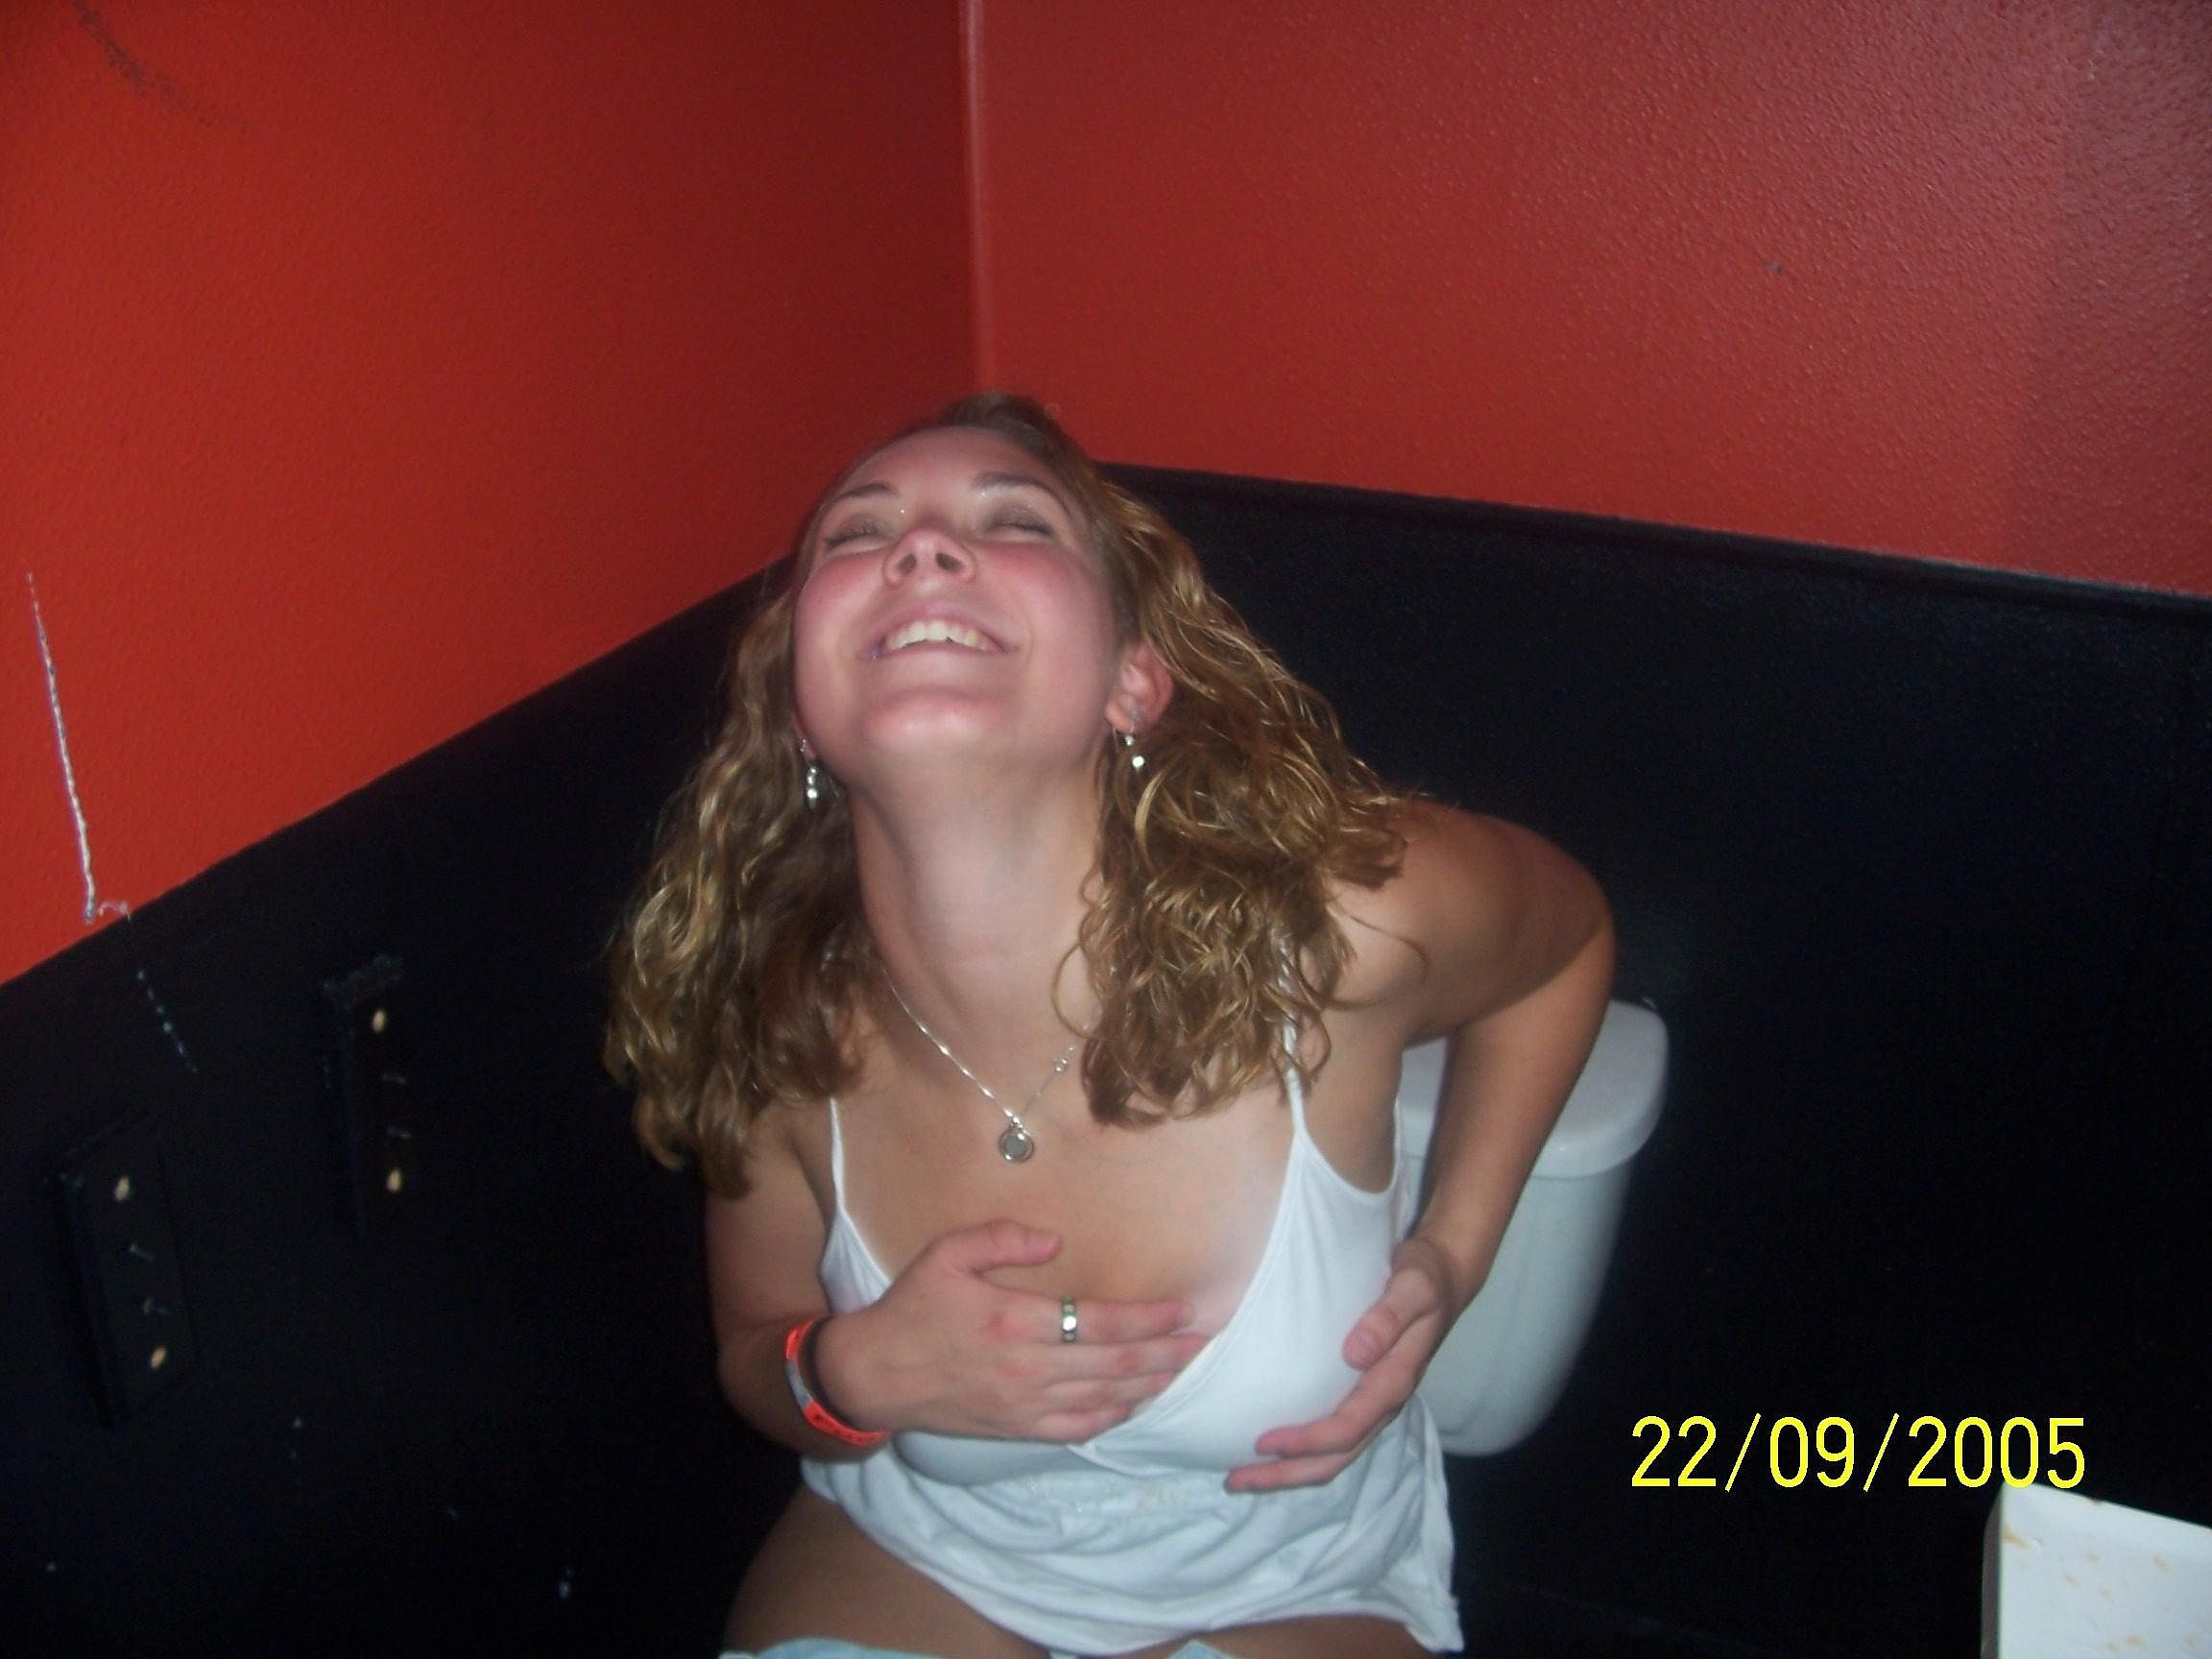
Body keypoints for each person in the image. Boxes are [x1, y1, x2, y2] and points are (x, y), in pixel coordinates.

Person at [607, 394, 1615, 1659]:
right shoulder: (778, 1025)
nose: (921, 549)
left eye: (1013, 522)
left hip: (1298, 1584)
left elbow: (1567, 945)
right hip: (921, 1559)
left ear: (1134, 679)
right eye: (858, 535)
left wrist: (1456, 1255)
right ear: (803, 708)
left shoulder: (1335, 929)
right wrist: (847, 1377)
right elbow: (757, 1351)